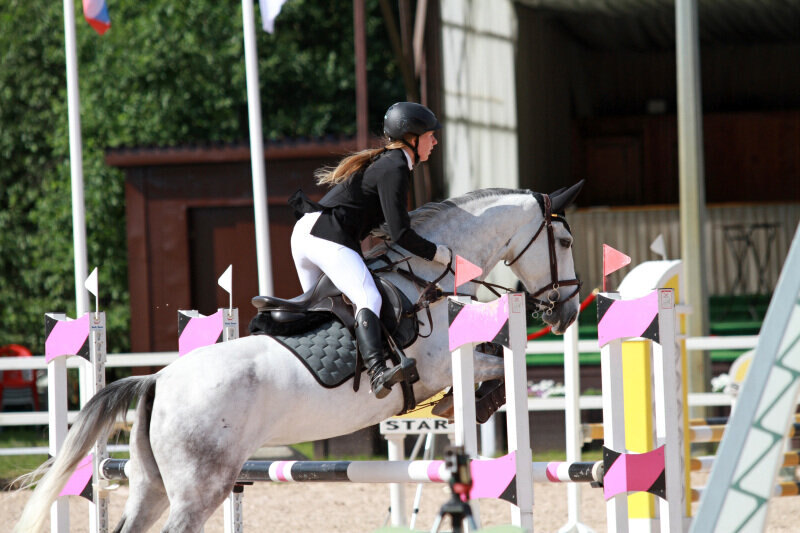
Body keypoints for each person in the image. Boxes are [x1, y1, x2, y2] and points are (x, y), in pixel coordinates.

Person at [288, 102, 451, 399]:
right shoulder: (396, 165)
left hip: (306, 233)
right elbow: (401, 234)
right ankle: (377, 371)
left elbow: (384, 224)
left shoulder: (388, 162)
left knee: (322, 311)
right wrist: (439, 253)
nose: (435, 141)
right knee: (367, 297)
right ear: (413, 139)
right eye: (430, 135)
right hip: (326, 236)